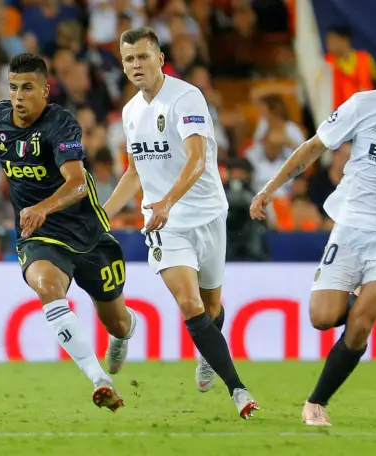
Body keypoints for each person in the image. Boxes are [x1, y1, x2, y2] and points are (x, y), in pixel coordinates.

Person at [250, 35, 376, 426]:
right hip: (351, 226)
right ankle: (358, 299)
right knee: (322, 318)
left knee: (361, 323)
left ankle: (315, 403)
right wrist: (269, 188)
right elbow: (313, 147)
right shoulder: (363, 105)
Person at [104, 27, 259, 419]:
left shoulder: (187, 97)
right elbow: (136, 172)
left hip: (206, 214)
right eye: (128, 59)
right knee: (190, 304)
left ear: (160, 58)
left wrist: (169, 201)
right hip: (163, 223)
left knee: (210, 307)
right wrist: (103, 214)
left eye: (142, 56)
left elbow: (198, 159)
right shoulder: (130, 111)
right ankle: (238, 390)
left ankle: (208, 351)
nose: (136, 65)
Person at [0, 53, 137, 412]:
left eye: (27, 88)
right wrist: (33, 213)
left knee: (116, 320)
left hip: (86, 231)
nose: (18, 96)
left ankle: (124, 332)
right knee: (48, 288)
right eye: (13, 88)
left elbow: (78, 184)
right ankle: (99, 379)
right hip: (38, 234)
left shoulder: (61, 124)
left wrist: (40, 207)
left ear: (45, 91)